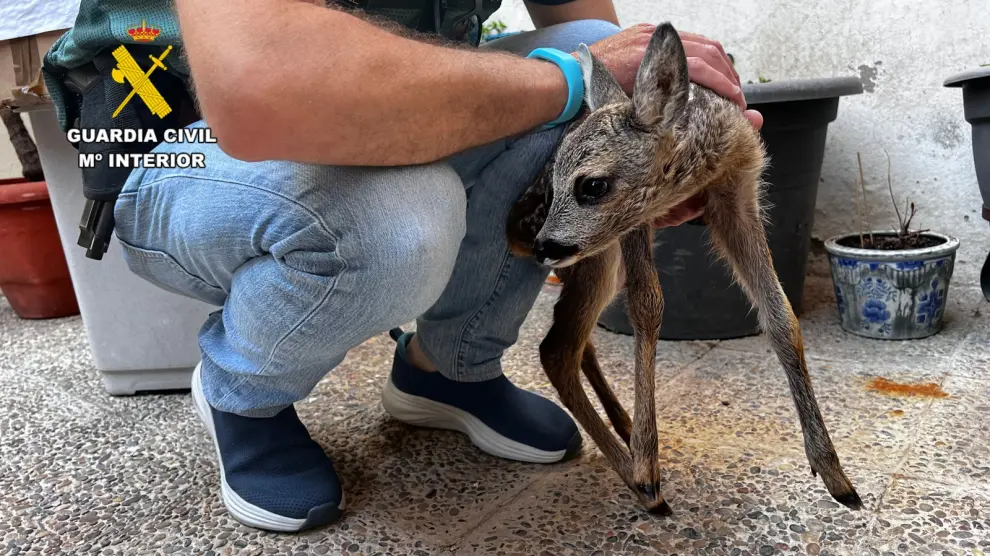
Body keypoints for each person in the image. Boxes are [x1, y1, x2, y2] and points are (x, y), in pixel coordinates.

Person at [56, 0, 762, 533]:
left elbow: (599, 46)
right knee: (398, 221)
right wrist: (569, 83)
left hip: (385, 100)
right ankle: (243, 388)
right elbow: (260, 88)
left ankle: (446, 370)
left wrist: (655, 165)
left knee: (593, 61)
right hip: (180, 135)